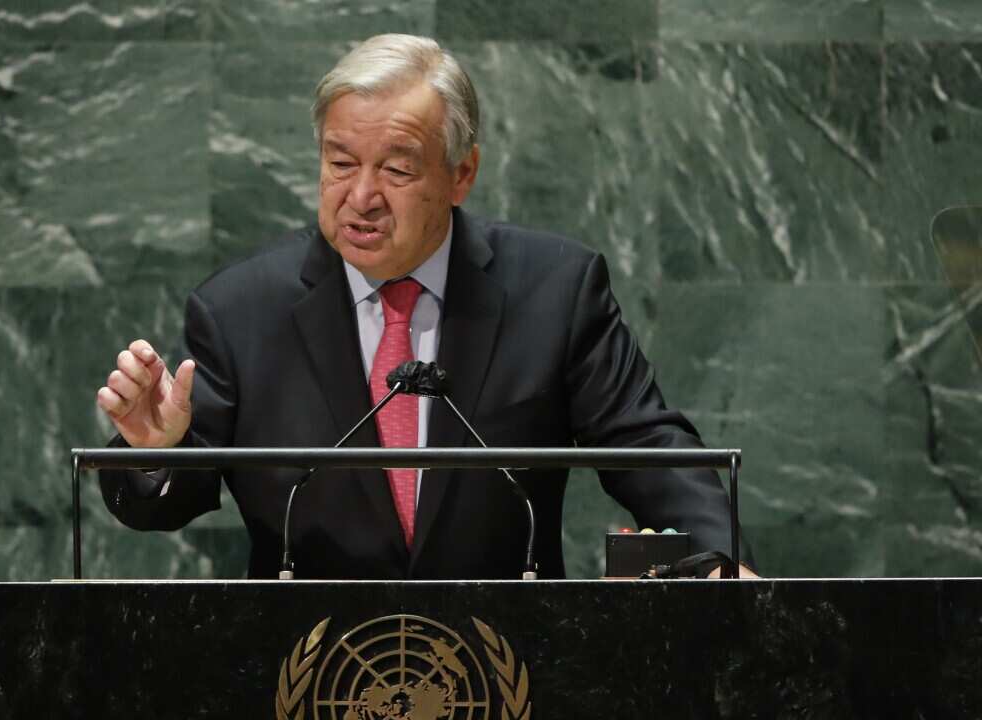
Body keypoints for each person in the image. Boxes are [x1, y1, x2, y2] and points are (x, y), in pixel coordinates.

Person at [96, 34, 756, 579]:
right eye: (341, 163)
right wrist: (155, 453)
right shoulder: (241, 310)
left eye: (397, 170)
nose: (361, 196)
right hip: (311, 670)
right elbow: (165, 499)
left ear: (461, 174)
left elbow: (647, 445)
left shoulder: (553, 290)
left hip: (511, 669)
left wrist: (721, 562)